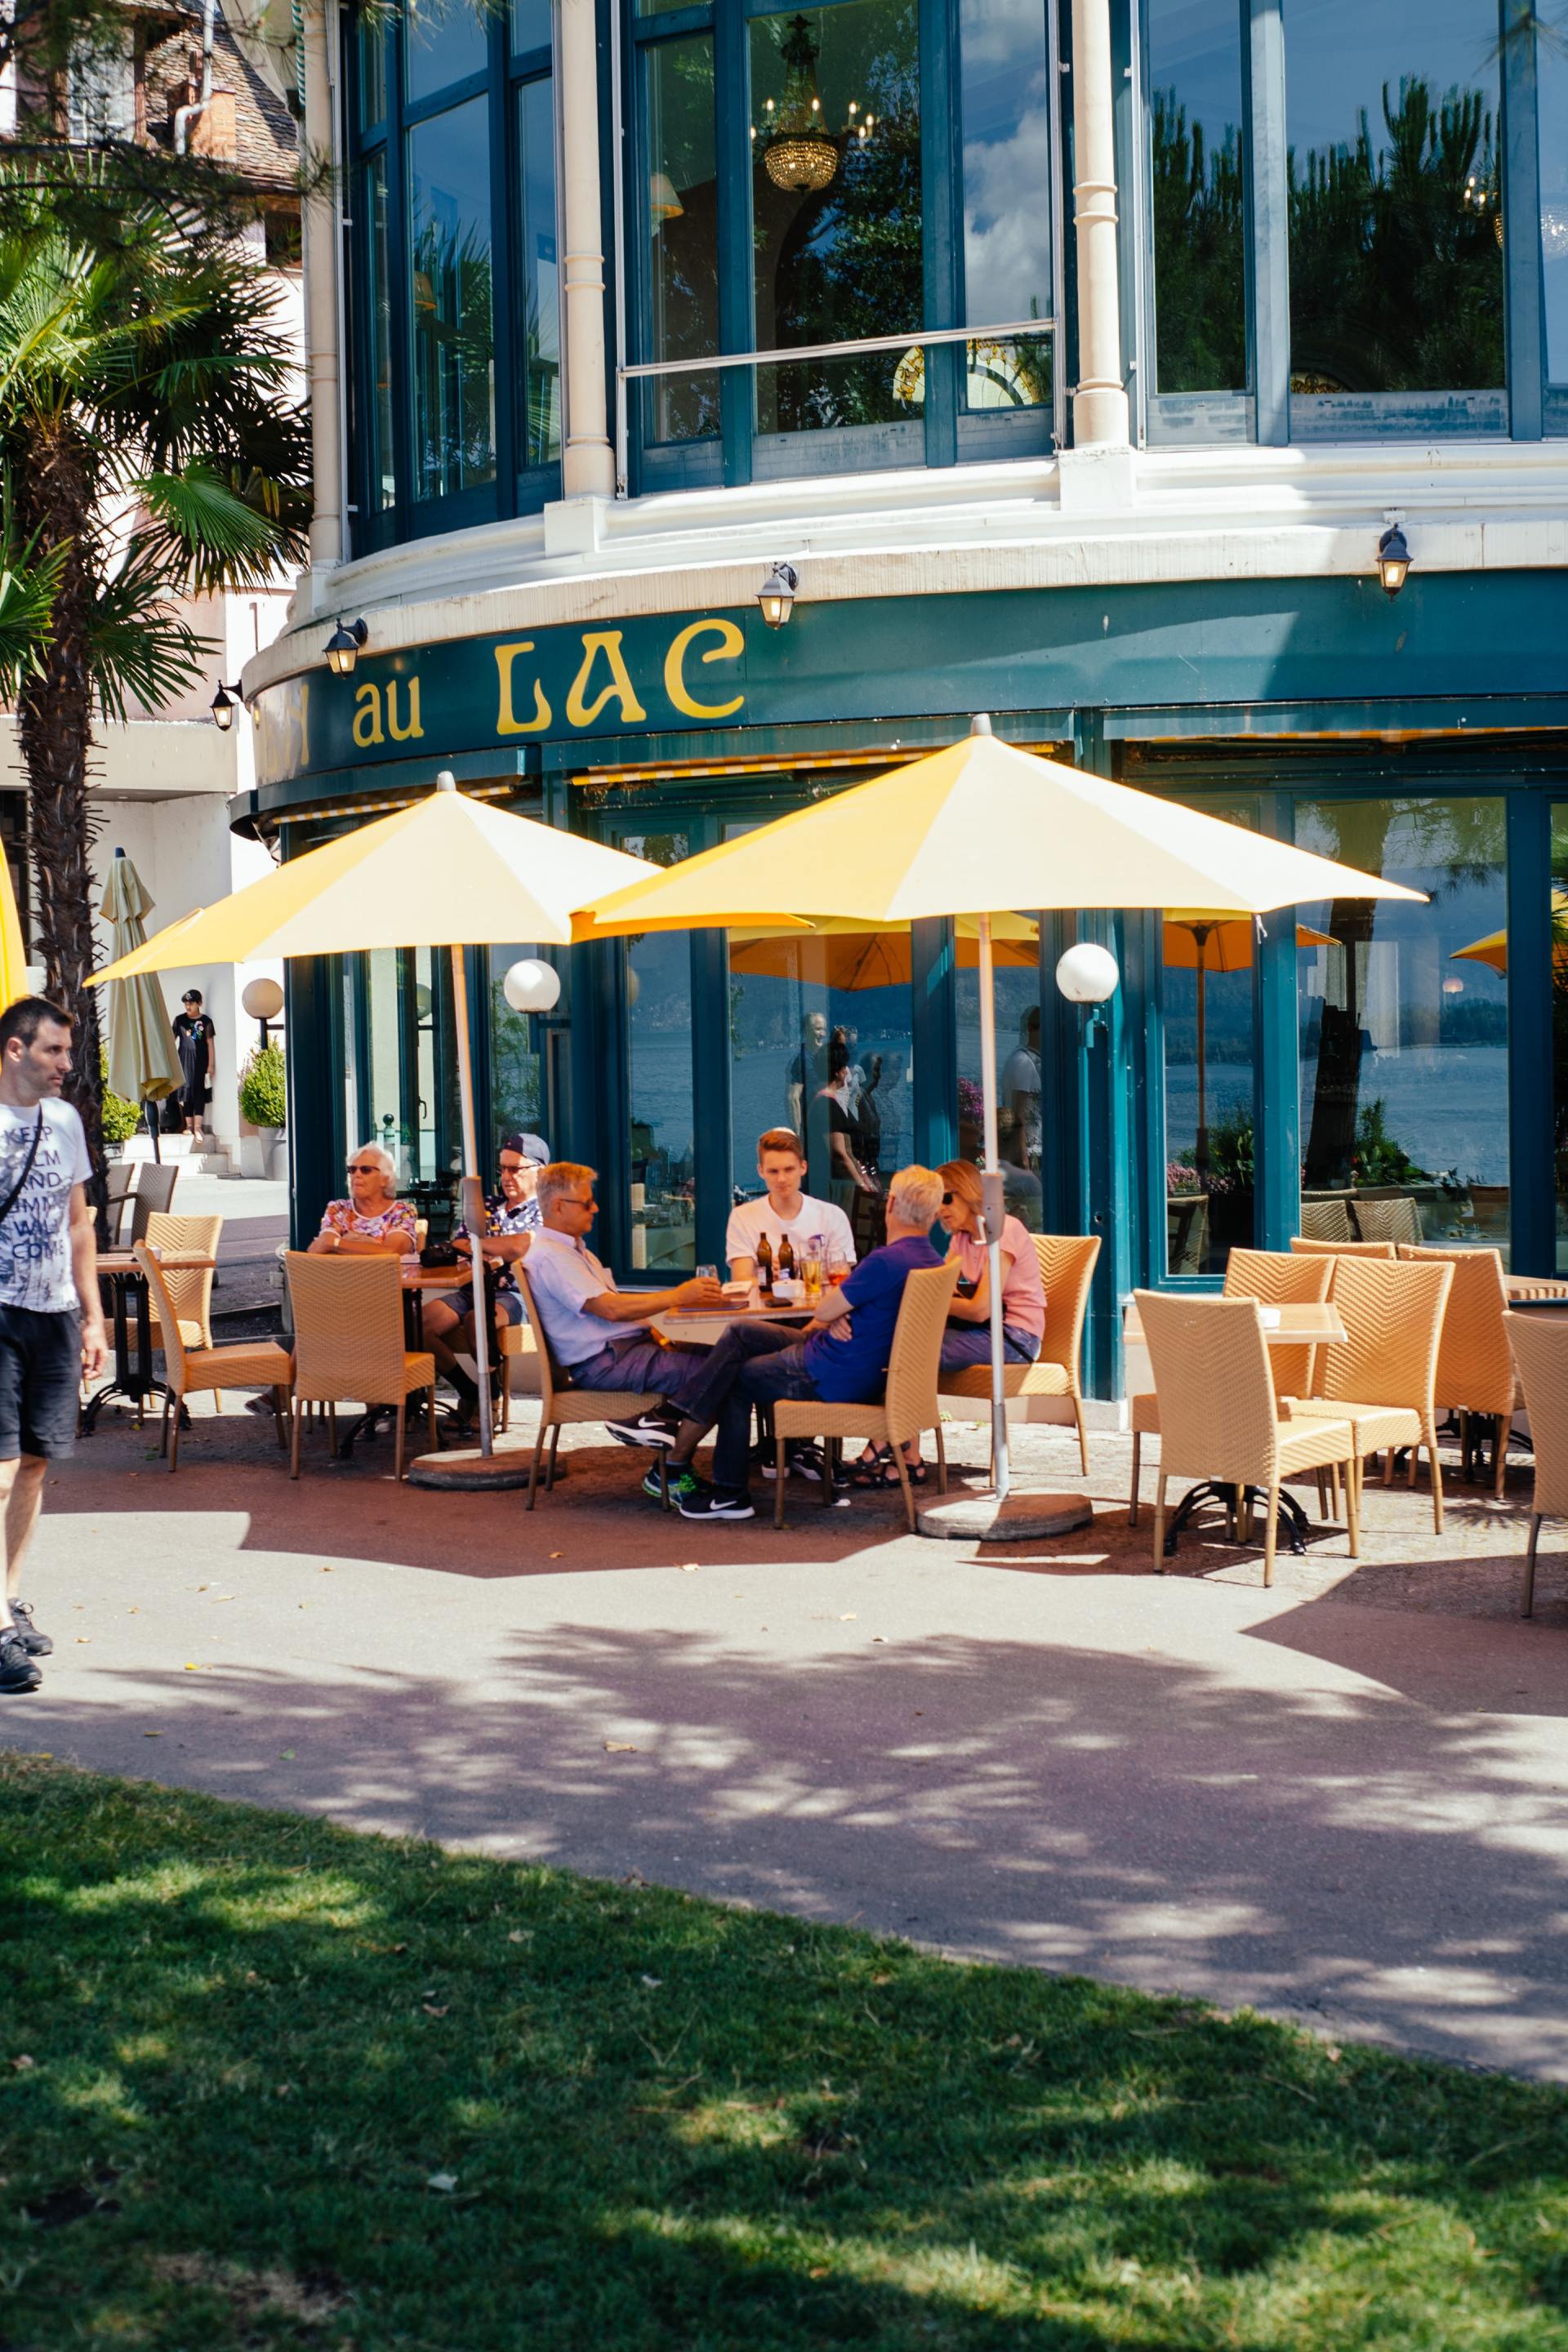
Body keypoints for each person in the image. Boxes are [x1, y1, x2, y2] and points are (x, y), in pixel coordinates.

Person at [652, 1165, 947, 1521]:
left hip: (829, 1372)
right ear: (933, 1213)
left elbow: (825, 1306)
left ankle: (730, 1493)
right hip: (853, 1364)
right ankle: (679, 1411)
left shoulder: (886, 1261)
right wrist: (840, 1312)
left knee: (734, 1378)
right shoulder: (932, 1260)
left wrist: (836, 1311)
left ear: (891, 1203)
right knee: (742, 1332)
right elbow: (838, 1309)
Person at [0, 999, 106, 1695]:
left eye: (68, 1052)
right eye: (53, 1052)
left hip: (56, 1313)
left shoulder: (65, 1122)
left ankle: (5, 1602)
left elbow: (78, 1228)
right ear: (15, 1051)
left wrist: (94, 1320)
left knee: (35, 1465)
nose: (67, 1065)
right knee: (1, 1469)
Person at [521, 1162, 724, 1450]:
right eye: (587, 1202)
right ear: (558, 1206)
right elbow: (610, 1310)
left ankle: (658, 1424)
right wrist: (679, 1296)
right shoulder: (553, 1257)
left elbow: (613, 1307)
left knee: (726, 1352)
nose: (596, 1208)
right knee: (720, 1375)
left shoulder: (573, 1249)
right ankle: (674, 1467)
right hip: (605, 1362)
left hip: (621, 1352)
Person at [423, 1132, 547, 1423]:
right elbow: (460, 1243)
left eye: (515, 1168)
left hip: (520, 1294)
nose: (506, 1176)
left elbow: (522, 1246)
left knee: (477, 1319)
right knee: (417, 1323)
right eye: (502, 1168)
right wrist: (494, 1248)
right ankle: (469, 1392)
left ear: (539, 1171)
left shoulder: (546, 1209)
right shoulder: (488, 1205)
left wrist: (482, 1245)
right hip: (471, 1287)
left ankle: (490, 1396)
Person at [725, 1128, 856, 1286]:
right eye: (773, 1171)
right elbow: (741, 1280)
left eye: (789, 1170)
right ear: (761, 1171)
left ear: (803, 1167)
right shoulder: (743, 1217)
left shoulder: (832, 1216)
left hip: (820, 1309)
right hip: (767, 1309)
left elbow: (842, 1280)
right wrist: (769, 1277)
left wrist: (798, 1272)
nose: (781, 1179)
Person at [308, 1143, 418, 1254]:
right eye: (352, 1169)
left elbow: (391, 1252)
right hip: (344, 1272)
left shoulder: (403, 1211)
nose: (357, 1174)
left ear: (384, 1179)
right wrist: (374, 1247)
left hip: (390, 1272)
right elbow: (320, 1248)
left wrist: (336, 1243)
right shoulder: (338, 1208)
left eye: (366, 1170)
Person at [171, 987, 216, 1144]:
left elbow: (210, 1043)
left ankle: (198, 1127)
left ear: (199, 1003)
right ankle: (189, 1126)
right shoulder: (179, 1020)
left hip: (201, 1060)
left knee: (199, 1092)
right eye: (186, 1004)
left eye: (191, 1003)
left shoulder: (206, 1022)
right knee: (186, 1092)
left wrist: (211, 1065)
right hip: (183, 1060)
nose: (188, 1006)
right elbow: (171, 1040)